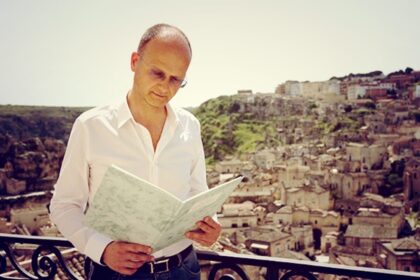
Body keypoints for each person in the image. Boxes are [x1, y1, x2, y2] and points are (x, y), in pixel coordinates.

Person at [49, 23, 221, 280]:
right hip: (115, 273)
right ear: (134, 61)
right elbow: (64, 205)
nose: (165, 87)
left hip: (184, 269)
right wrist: (102, 249)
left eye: (176, 80)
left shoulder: (190, 126)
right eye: (157, 73)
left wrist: (210, 224)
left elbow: (198, 194)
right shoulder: (91, 126)